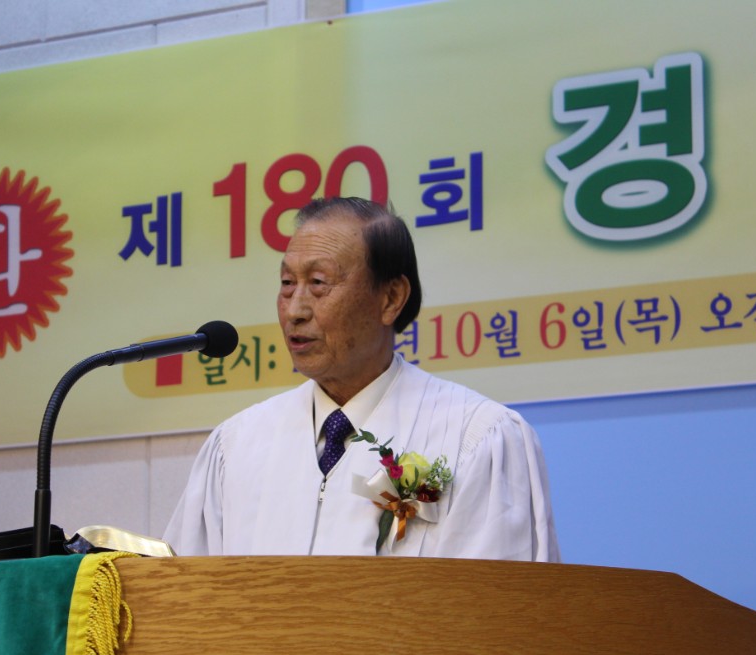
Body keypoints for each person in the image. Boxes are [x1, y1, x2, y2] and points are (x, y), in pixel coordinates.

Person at [164, 197, 559, 560]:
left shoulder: (474, 437)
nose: (295, 310)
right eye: (287, 284)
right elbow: (184, 593)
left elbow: (493, 603)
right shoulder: (238, 445)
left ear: (391, 298)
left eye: (318, 283)